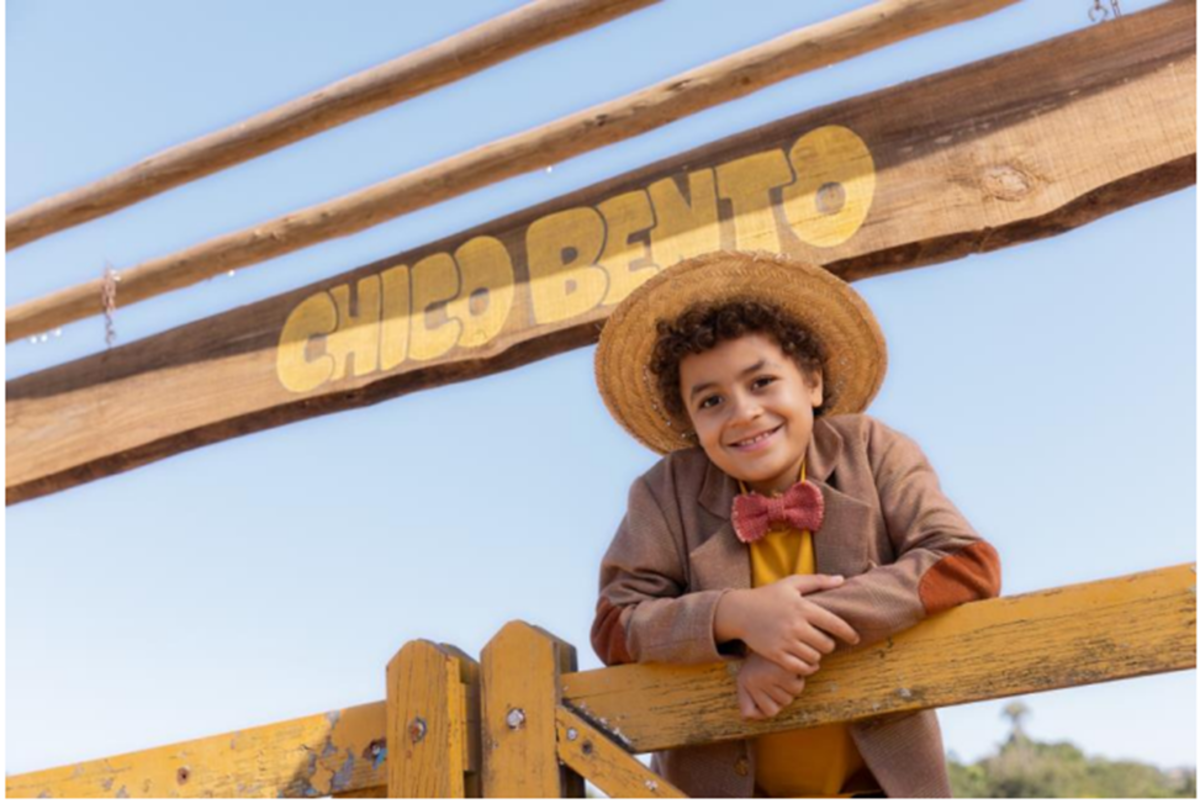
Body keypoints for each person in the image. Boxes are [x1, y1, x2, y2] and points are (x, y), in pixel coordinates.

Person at [590, 250, 1001, 798]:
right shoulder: (663, 492)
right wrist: (735, 617)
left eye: (761, 382)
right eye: (711, 400)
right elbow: (616, 625)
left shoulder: (872, 449)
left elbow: (965, 562)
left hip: (877, 785)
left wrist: (794, 627)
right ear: (692, 422)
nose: (742, 412)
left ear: (811, 383)